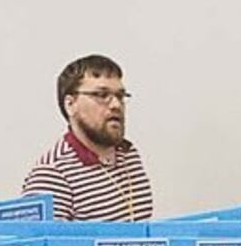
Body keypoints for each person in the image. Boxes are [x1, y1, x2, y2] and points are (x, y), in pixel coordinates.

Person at [21, 54, 154, 222]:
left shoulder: (128, 153)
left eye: (120, 96)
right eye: (101, 95)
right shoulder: (52, 174)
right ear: (70, 105)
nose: (116, 105)